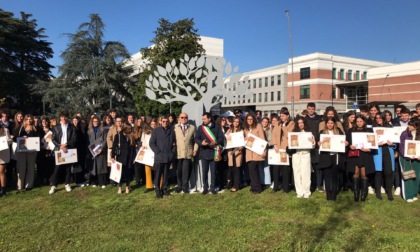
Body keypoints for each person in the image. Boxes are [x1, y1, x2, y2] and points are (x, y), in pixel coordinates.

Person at [346, 115, 375, 202]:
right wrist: (350, 146)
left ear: (364, 122)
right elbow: (348, 142)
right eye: (357, 121)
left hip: (365, 154)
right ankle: (356, 194)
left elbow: (373, 143)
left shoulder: (369, 131)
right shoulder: (350, 131)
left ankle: (364, 194)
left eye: (361, 121)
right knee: (356, 173)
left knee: (364, 174)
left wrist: (369, 149)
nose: (359, 123)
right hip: (355, 154)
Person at [195, 112, 224, 195]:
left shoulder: (217, 127)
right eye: (202, 119)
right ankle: (205, 188)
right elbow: (196, 138)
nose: (203, 120)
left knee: (213, 171)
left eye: (204, 119)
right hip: (204, 153)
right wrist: (201, 143)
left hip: (214, 152)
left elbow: (221, 138)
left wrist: (216, 141)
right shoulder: (201, 128)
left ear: (209, 118)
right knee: (205, 172)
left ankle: (213, 187)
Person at [49, 111, 77, 194]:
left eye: (65, 117)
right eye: (62, 117)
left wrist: (67, 145)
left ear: (67, 117)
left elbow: (74, 139)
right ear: (60, 117)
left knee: (68, 169)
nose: (64, 118)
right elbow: (53, 139)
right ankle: (53, 186)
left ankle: (67, 184)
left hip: (68, 150)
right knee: (57, 169)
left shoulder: (72, 127)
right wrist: (60, 145)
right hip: (59, 150)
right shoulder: (56, 127)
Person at [318, 117, 344, 201]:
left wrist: (345, 143)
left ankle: (334, 194)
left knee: (334, 176)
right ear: (326, 124)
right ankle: (328, 195)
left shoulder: (338, 132)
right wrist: (319, 143)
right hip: (326, 157)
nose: (330, 125)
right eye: (328, 123)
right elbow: (317, 144)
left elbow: (342, 142)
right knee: (327, 176)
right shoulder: (322, 133)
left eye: (331, 123)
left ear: (334, 124)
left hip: (335, 156)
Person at [149, 116, 176, 198]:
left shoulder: (171, 131)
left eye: (166, 121)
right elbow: (152, 143)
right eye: (163, 121)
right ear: (160, 122)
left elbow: (175, 143)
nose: (165, 123)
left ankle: (164, 189)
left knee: (166, 174)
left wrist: (172, 153)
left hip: (168, 156)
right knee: (158, 174)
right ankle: (157, 190)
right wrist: (157, 152)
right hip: (159, 157)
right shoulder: (156, 131)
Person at [372, 113, 395, 201]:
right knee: (378, 172)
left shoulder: (389, 127)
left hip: (388, 150)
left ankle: (389, 191)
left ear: (383, 118)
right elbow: (370, 140)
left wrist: (392, 143)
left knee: (389, 172)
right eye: (377, 118)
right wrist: (376, 143)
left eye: (380, 118)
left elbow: (395, 141)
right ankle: (378, 191)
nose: (378, 119)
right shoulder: (372, 128)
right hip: (378, 150)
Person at [271, 108, 294, 193]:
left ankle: (285, 187)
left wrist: (284, 127)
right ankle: (276, 186)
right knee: (276, 169)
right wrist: (275, 145)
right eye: (281, 116)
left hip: (285, 149)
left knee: (285, 169)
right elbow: (273, 134)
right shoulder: (278, 124)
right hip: (277, 149)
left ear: (287, 116)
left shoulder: (291, 123)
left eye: (283, 116)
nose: (282, 118)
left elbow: (290, 135)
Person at [292, 116, 315, 198]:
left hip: (306, 154)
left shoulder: (309, 133)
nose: (300, 124)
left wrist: (312, 142)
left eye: (302, 123)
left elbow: (313, 145)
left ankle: (306, 191)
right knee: (297, 173)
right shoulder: (294, 133)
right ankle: (299, 191)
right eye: (299, 123)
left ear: (304, 123)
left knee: (306, 173)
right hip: (296, 154)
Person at [243, 113, 267, 194]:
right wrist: (244, 138)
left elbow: (262, 138)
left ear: (254, 120)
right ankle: (253, 186)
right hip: (249, 153)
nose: (249, 121)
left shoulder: (258, 126)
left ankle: (257, 188)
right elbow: (242, 140)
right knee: (251, 170)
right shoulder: (245, 129)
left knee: (253, 168)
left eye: (251, 119)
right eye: (248, 119)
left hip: (257, 152)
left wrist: (264, 150)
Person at [174, 112, 197, 194]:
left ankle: (185, 186)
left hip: (188, 151)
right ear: (179, 118)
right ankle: (179, 186)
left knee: (186, 170)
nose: (184, 119)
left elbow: (196, 140)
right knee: (179, 170)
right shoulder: (175, 127)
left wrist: (195, 149)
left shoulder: (192, 127)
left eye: (185, 117)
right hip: (178, 152)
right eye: (182, 117)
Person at [15, 114, 39, 191]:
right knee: (21, 168)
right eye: (27, 119)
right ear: (25, 120)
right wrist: (22, 138)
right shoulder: (20, 128)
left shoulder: (35, 129)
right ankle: (20, 186)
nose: (29, 120)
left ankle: (29, 185)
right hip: (22, 150)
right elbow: (15, 137)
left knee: (31, 168)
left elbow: (38, 139)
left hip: (32, 151)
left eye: (30, 119)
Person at [399, 119, 420, 203]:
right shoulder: (404, 134)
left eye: (412, 125)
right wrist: (407, 155)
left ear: (417, 127)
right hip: (405, 158)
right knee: (407, 175)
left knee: (416, 176)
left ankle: (414, 194)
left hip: (417, 159)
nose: (409, 127)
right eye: (409, 125)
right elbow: (401, 147)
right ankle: (408, 195)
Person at [111, 121, 135, 194]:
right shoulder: (118, 136)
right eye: (129, 129)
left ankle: (127, 186)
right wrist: (112, 156)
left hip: (129, 157)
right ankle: (120, 187)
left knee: (128, 173)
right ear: (125, 128)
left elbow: (132, 148)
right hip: (120, 157)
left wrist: (133, 158)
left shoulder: (131, 136)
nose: (130, 130)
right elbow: (114, 146)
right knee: (120, 173)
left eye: (131, 128)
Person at [87, 115, 108, 188]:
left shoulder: (102, 130)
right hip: (92, 151)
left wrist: (102, 148)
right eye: (94, 121)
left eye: (97, 121)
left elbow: (105, 140)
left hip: (100, 150)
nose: (95, 122)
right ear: (92, 122)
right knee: (94, 167)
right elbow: (88, 141)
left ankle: (102, 182)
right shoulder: (89, 131)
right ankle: (94, 182)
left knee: (101, 166)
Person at [225, 117, 244, 192]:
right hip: (230, 151)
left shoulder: (241, 131)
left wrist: (241, 147)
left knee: (237, 169)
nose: (236, 123)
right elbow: (226, 140)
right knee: (231, 168)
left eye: (238, 122)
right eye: (235, 121)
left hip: (238, 151)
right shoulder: (229, 130)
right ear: (232, 122)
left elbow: (243, 141)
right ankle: (231, 183)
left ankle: (236, 185)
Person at [140, 118, 157, 193]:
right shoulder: (144, 133)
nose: (153, 125)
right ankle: (149, 186)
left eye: (154, 124)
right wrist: (143, 146)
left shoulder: (156, 132)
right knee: (147, 169)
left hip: (155, 153)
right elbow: (143, 142)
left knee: (157, 169)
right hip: (147, 153)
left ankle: (159, 184)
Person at [0, 124, 12, 196]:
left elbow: (10, 141)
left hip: (3, 153)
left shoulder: (5, 130)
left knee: (1, 171)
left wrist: (5, 142)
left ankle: (3, 189)